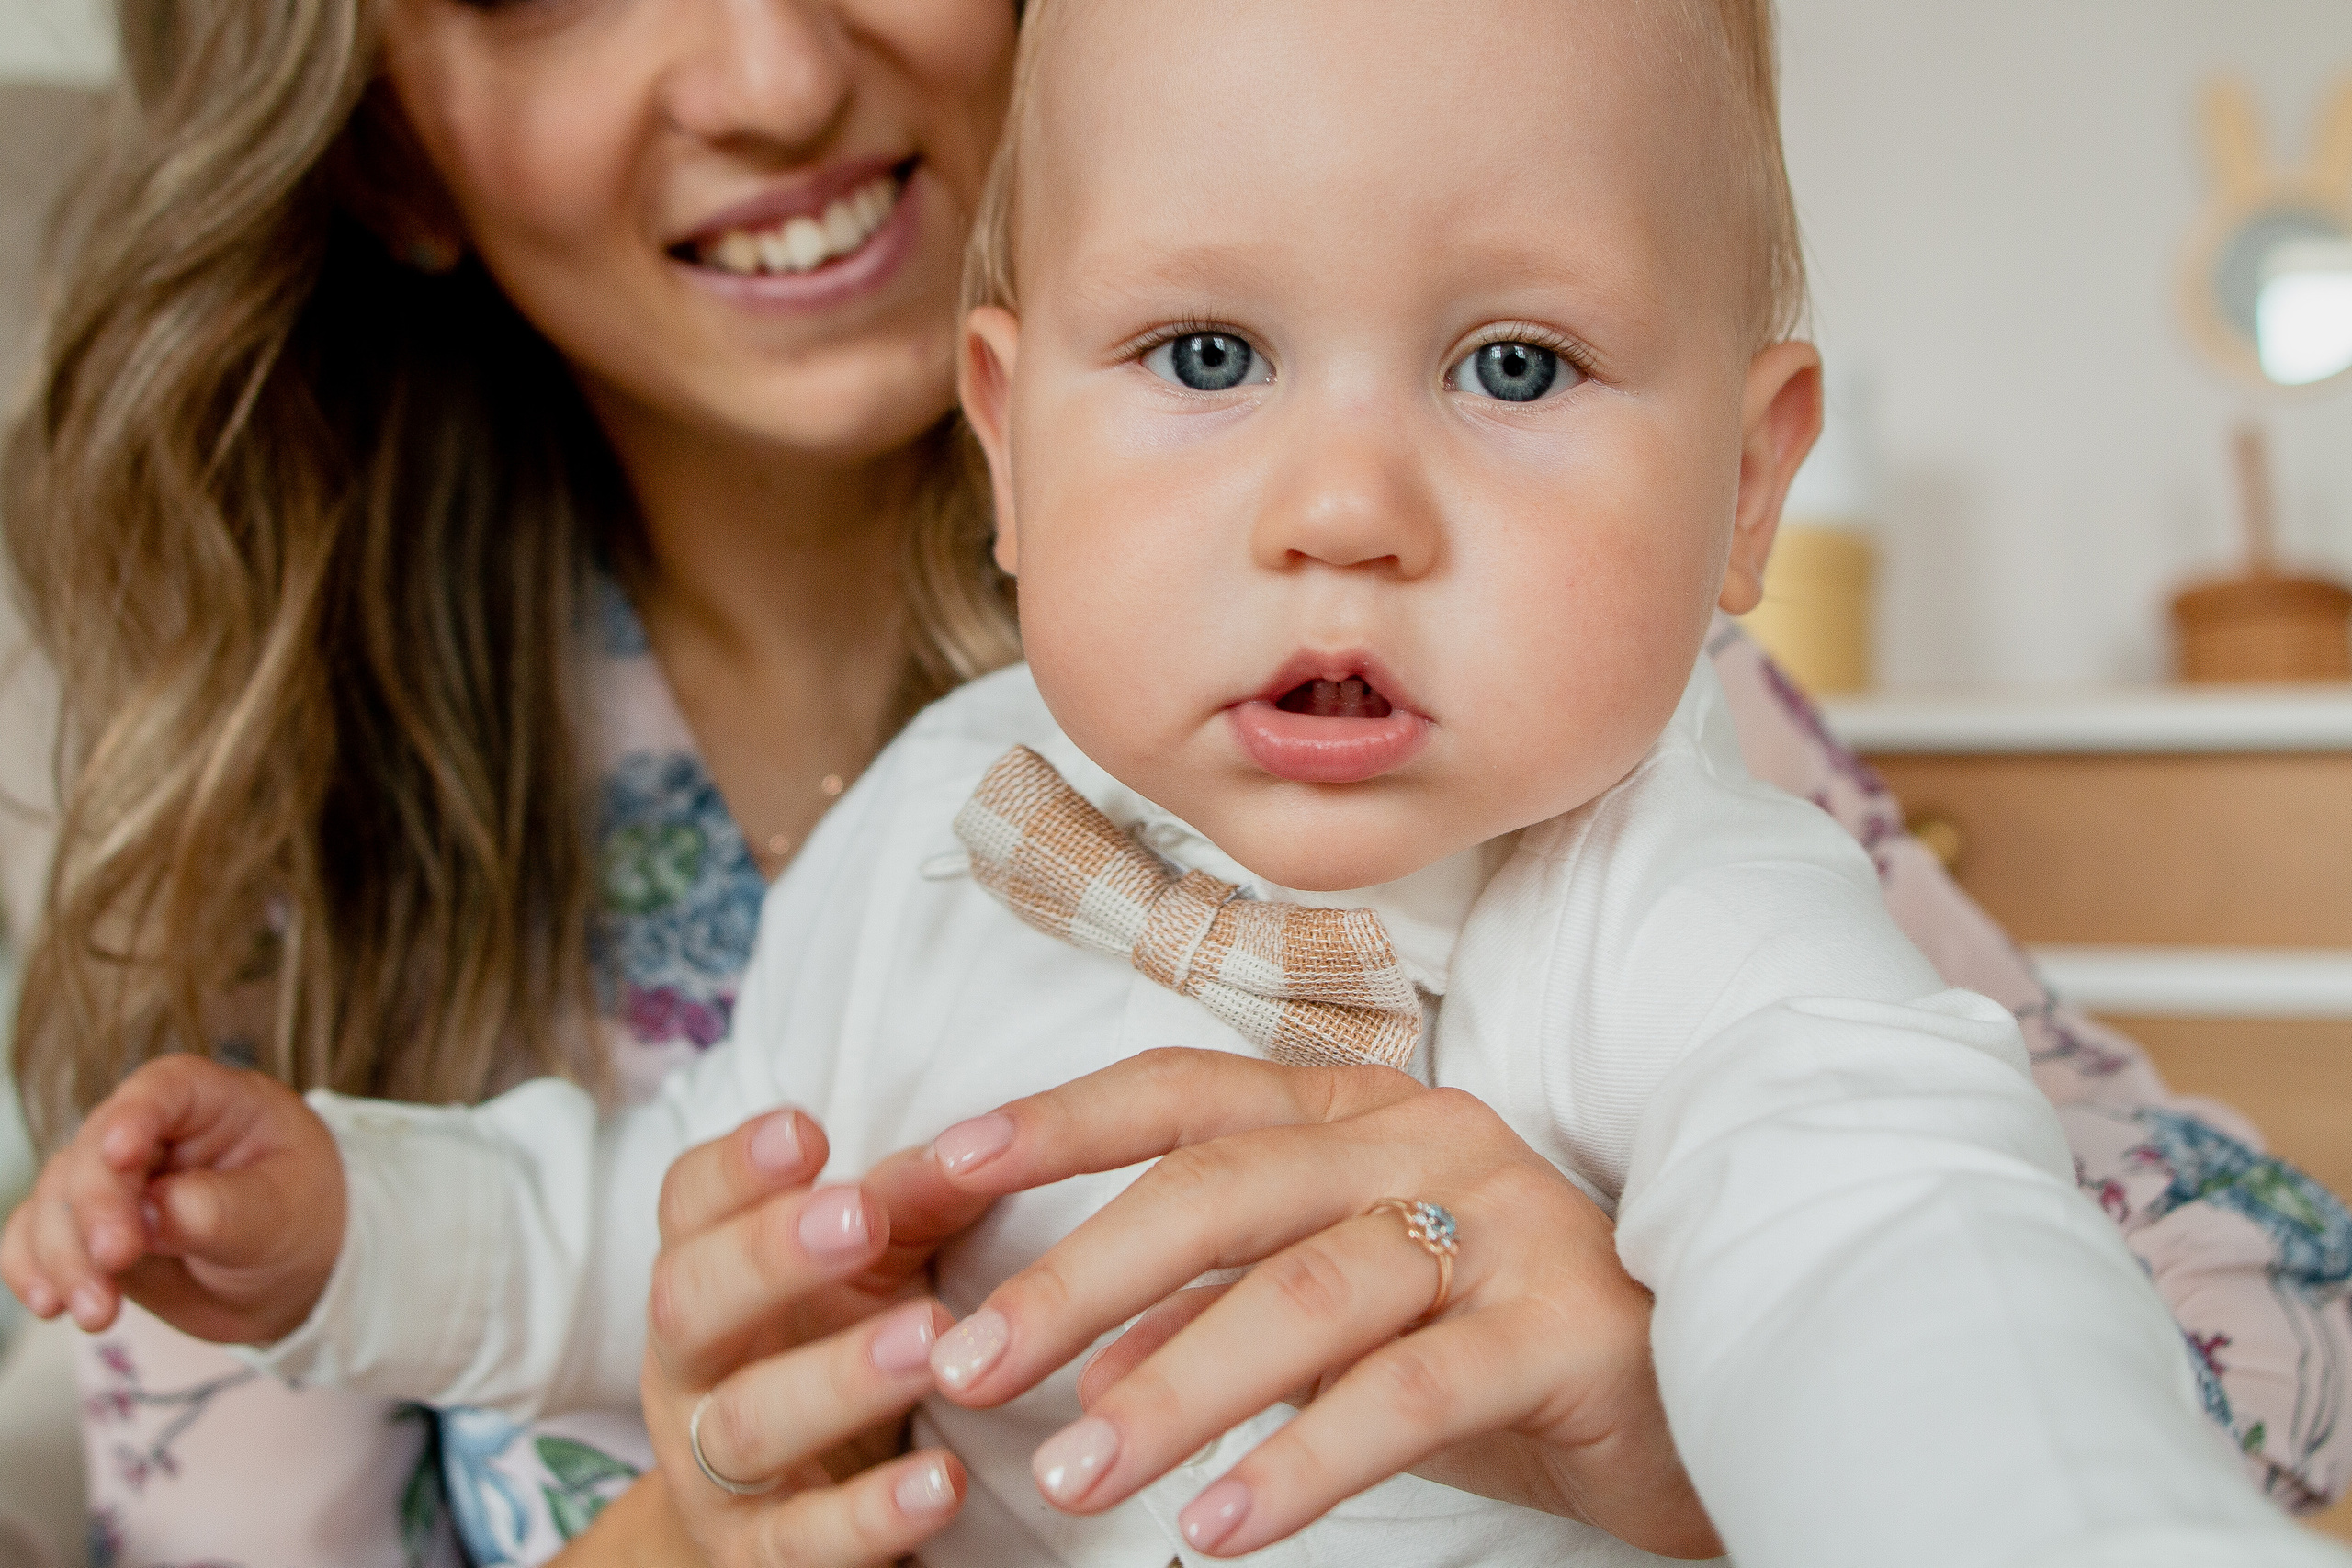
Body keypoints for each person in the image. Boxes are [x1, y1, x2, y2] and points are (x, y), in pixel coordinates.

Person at [8, 5, 2347, 1568]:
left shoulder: (1664, 860)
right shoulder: (938, 822)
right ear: (1009, 432)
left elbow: (1904, 1247)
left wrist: (1675, 1435)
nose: (1344, 503)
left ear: (1742, 494)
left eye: (1510, 362)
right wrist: (351, 1228)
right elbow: (684, 1222)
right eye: (1208, 354)